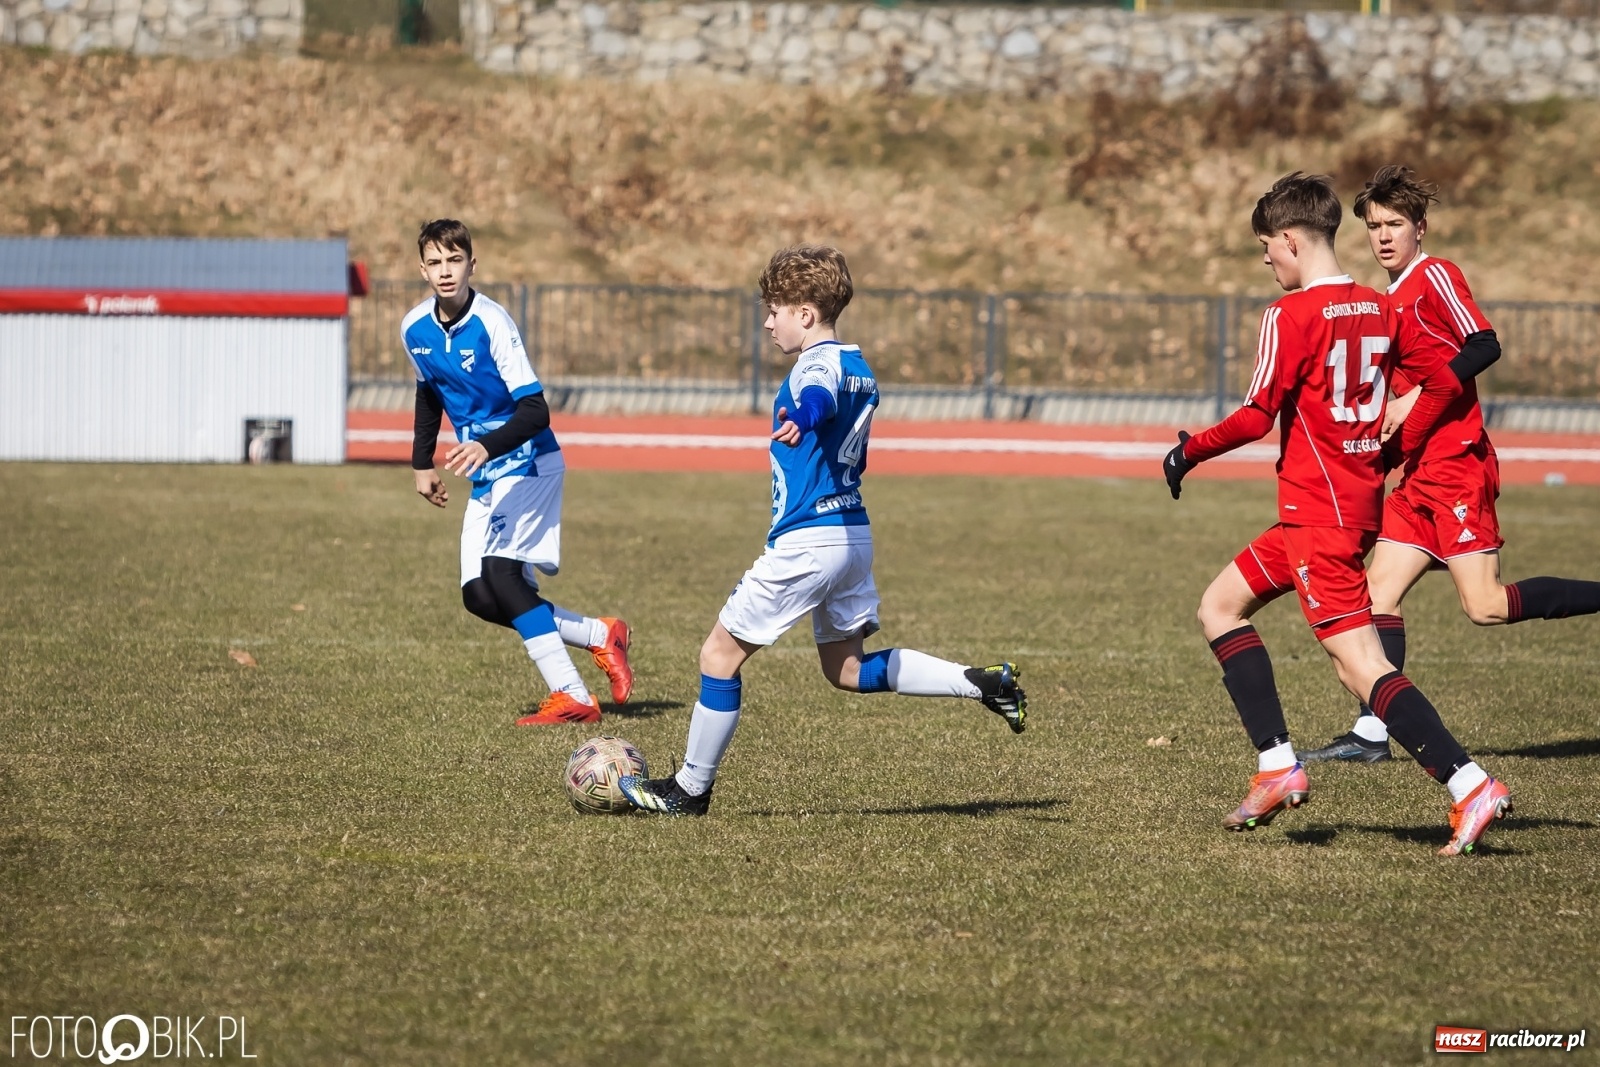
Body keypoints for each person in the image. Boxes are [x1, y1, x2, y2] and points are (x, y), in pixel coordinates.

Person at [1162, 173, 1511, 856]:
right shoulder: (1381, 308)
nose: (1266, 260)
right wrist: (1388, 450)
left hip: (1317, 518)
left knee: (1361, 668)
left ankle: (1471, 783)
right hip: (1342, 508)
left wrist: (1188, 451)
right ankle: (1275, 766)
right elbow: (1437, 383)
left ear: (1290, 241)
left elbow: (1258, 414)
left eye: (1267, 247)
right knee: (1220, 606)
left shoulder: (1289, 316)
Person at [618, 244, 1027, 816]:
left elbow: (817, 396)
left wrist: (803, 417)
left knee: (717, 655)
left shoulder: (818, 363)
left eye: (775, 309)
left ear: (805, 314)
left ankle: (689, 789)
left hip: (809, 539)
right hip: (851, 534)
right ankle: (980, 682)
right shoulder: (860, 366)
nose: (767, 322)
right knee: (848, 670)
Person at [1301, 165, 1600, 764]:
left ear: (1421, 227)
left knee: (1484, 606)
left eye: (1395, 224)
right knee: (1375, 596)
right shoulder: (1387, 300)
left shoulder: (1435, 276)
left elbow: (1484, 344)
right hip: (1417, 477)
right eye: (1373, 226)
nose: (1383, 236)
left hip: (1459, 468)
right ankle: (1372, 734)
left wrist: (1414, 396)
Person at [403, 219, 632, 725]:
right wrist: (422, 463)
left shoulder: (493, 323)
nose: (446, 271)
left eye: (455, 260)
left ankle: (571, 695)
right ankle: (601, 635)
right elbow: (428, 393)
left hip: (530, 462)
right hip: (488, 472)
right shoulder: (413, 328)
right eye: (435, 262)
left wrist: (484, 445)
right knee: (481, 597)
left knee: (502, 576)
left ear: (471, 265)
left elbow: (535, 411)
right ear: (423, 269)